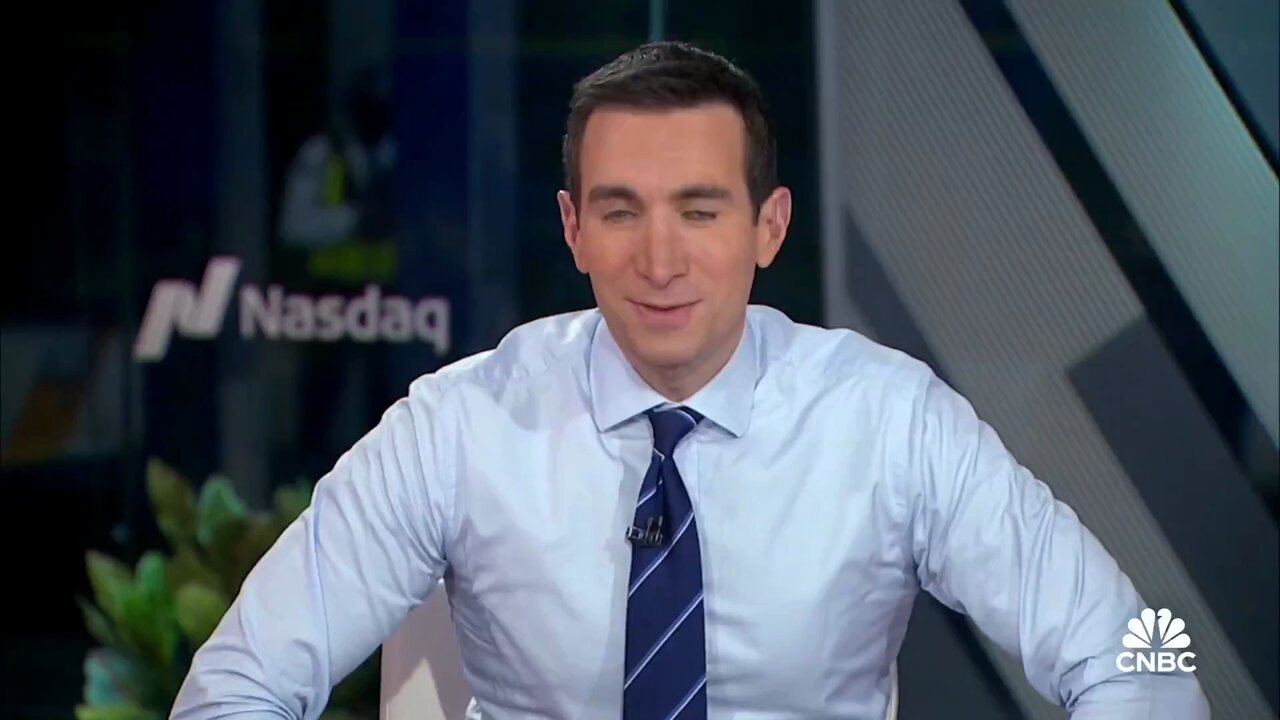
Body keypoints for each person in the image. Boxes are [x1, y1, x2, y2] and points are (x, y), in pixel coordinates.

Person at [171, 41, 1211, 719]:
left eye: (700, 211)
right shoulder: (457, 426)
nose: (659, 261)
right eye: (620, 211)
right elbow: (239, 684)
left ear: (769, 226)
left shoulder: (890, 421)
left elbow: (1136, 659)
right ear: (573, 229)